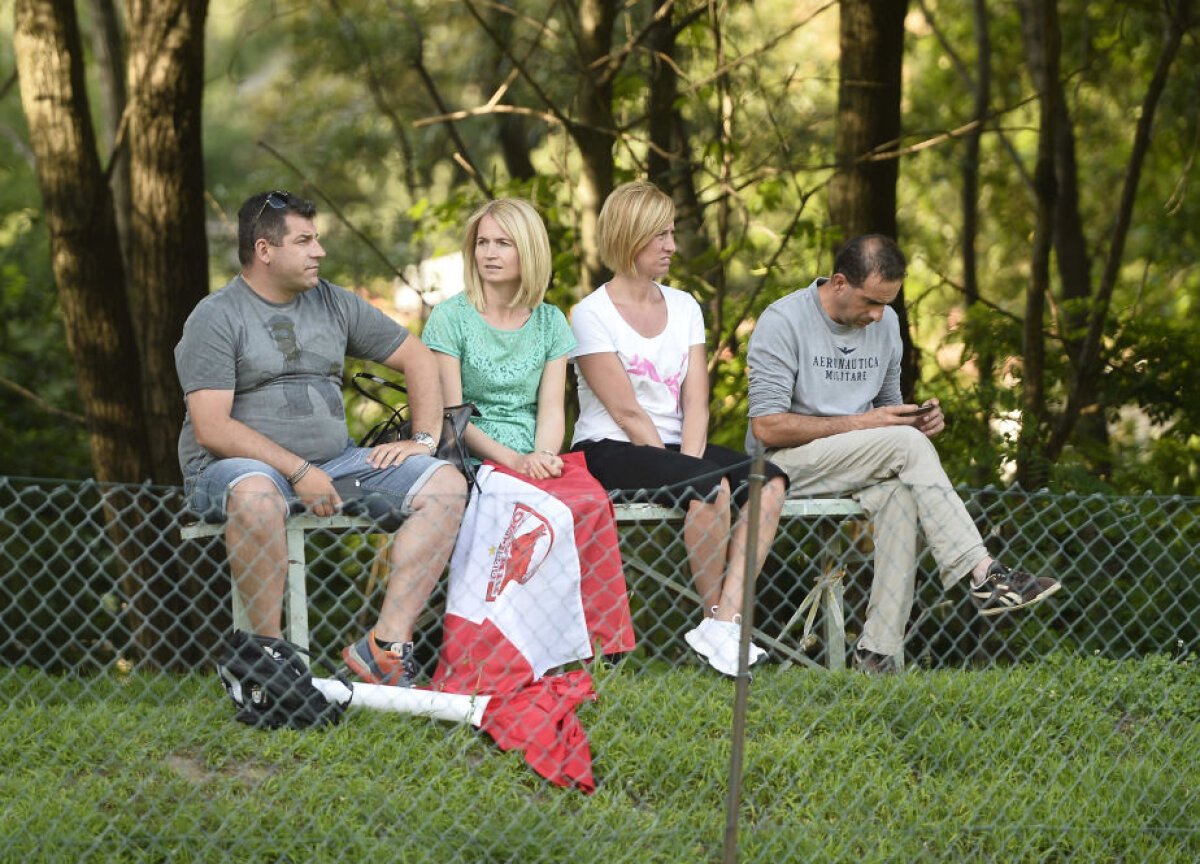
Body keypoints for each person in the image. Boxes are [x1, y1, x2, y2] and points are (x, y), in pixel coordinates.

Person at [176, 189, 466, 688]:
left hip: (335, 465)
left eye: (318, 240)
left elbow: (418, 358)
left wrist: (423, 438)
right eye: (305, 240)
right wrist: (298, 470)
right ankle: (266, 662)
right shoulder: (217, 315)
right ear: (265, 250)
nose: (319, 252)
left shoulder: (332, 301)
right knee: (257, 494)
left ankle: (385, 648)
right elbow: (212, 428)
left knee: (446, 485)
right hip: (233, 471)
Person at [745, 233, 1062, 673]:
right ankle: (984, 571)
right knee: (902, 449)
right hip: (784, 465)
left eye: (887, 304)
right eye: (871, 303)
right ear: (838, 282)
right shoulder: (783, 320)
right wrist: (869, 425)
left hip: (860, 464)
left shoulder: (887, 323)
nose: (879, 316)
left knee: (901, 493)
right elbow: (766, 427)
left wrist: (919, 420)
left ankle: (878, 656)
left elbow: (888, 416)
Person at [569, 181, 788, 678]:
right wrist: (692, 470)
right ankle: (717, 625)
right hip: (611, 447)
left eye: (671, 233)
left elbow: (696, 401)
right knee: (708, 486)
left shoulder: (685, 306)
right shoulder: (589, 315)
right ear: (629, 237)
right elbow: (626, 413)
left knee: (770, 480)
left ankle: (724, 623)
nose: (671, 246)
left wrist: (689, 461)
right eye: (659, 236)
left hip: (675, 444)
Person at [420, 198, 636, 686]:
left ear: (529, 251)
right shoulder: (449, 319)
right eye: (482, 242)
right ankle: (493, 649)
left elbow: (552, 409)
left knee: (589, 501)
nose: (489, 253)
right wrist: (513, 459)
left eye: (503, 243)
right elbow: (452, 418)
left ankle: (596, 646)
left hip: (534, 455)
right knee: (520, 509)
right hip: (474, 455)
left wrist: (542, 454)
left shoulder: (550, 322)